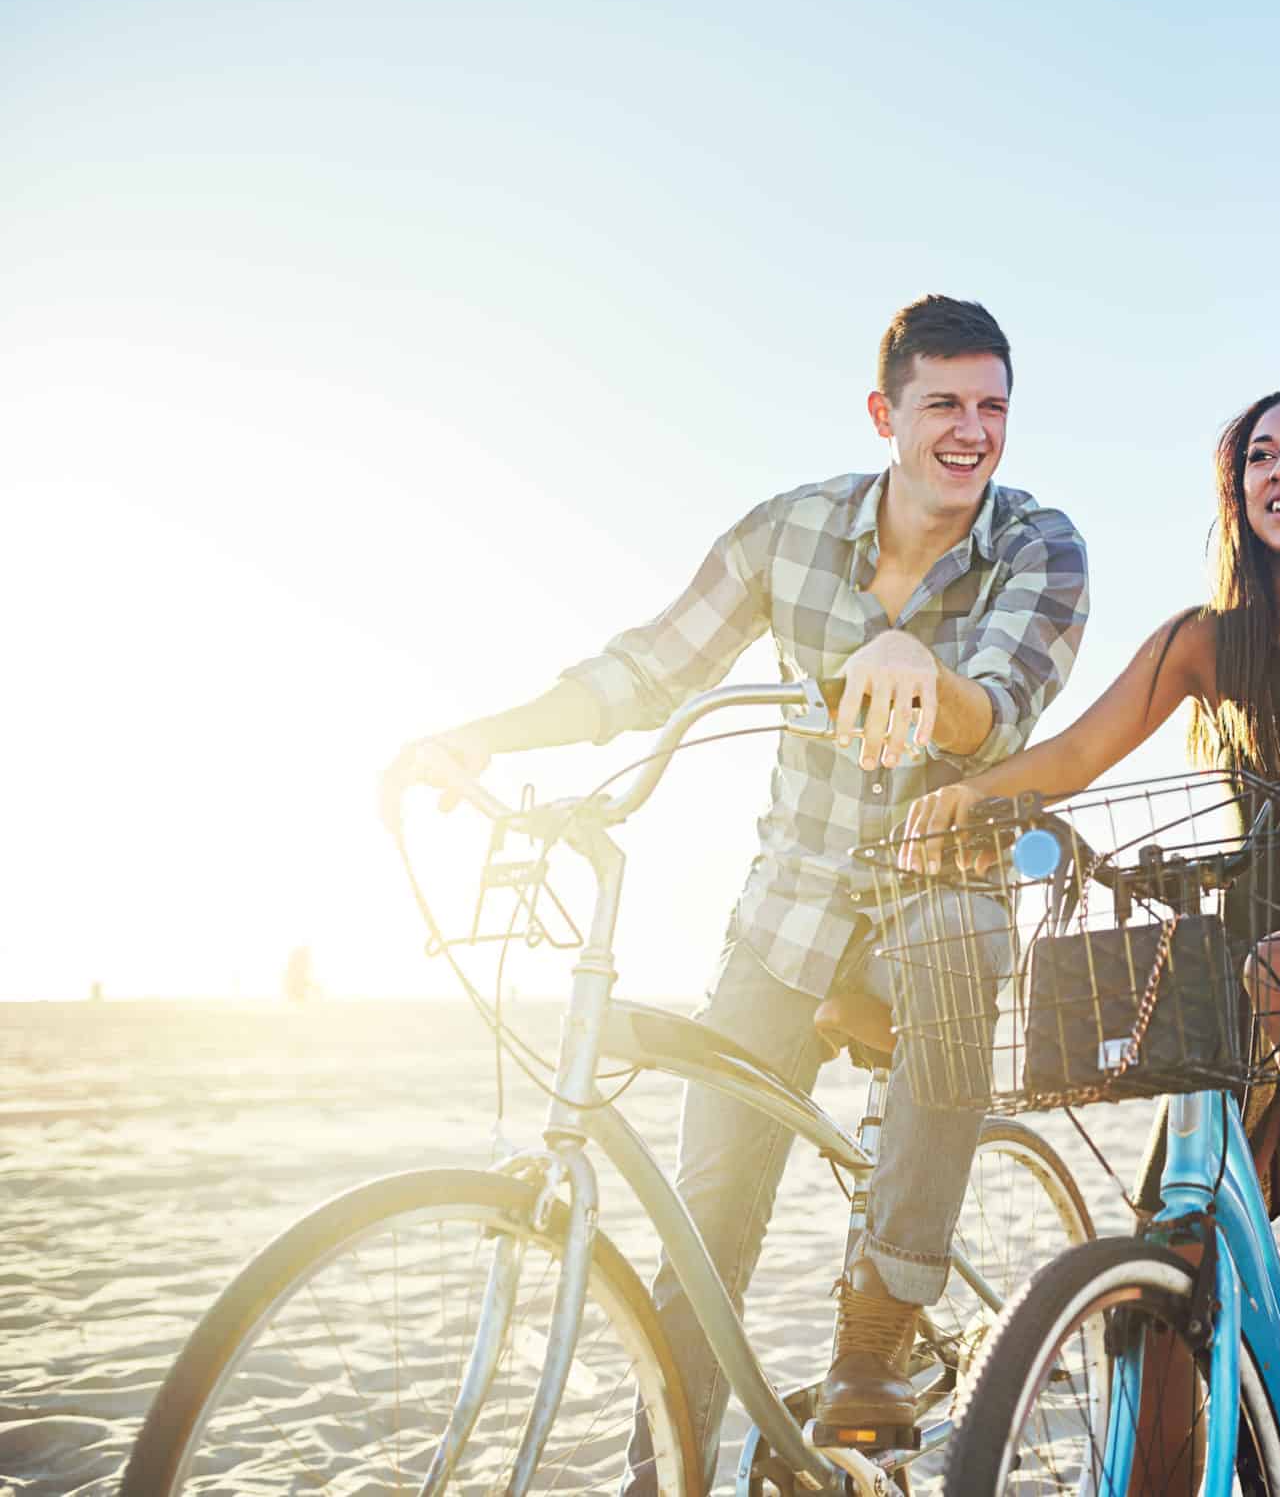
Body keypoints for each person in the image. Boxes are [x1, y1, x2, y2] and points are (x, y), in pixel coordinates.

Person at [388, 294, 1090, 1493]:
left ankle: (878, 1329)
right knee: (705, 1215)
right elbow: (650, 667)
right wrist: (485, 737)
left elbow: (999, 704)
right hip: (792, 909)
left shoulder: (1040, 545)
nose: (969, 432)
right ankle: (662, 1470)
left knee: (954, 954)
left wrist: (921, 664)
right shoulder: (790, 532)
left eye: (991, 408)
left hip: (941, 895)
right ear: (886, 413)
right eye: (943, 405)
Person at [903, 375, 1280, 1422]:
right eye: (1258, 456)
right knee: (1161, 1287)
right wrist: (966, 797)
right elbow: (1074, 752)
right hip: (1251, 956)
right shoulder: (1209, 639)